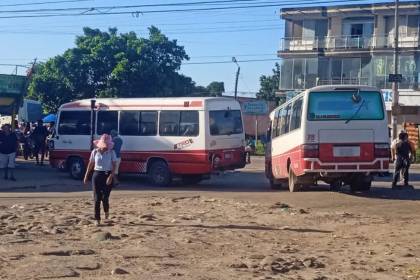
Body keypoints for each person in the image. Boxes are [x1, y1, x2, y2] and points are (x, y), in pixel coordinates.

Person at [83, 134, 117, 226]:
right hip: (97, 175)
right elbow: (90, 164)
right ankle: (97, 219)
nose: (106, 147)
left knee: (105, 198)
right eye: (105, 145)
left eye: (107, 145)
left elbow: (114, 166)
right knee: (97, 198)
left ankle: (106, 211)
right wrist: (86, 175)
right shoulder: (94, 152)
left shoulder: (111, 153)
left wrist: (111, 176)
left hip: (107, 174)